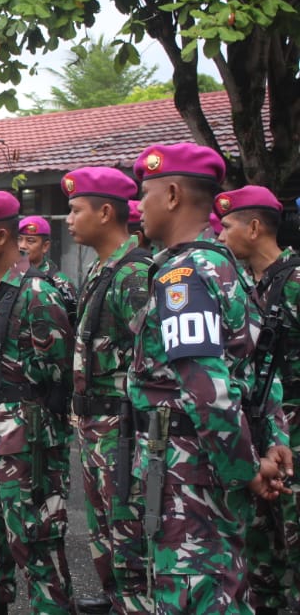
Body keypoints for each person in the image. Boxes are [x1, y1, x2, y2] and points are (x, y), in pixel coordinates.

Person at [129, 143, 291, 613]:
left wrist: (247, 468)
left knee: (194, 593)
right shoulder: (230, 269)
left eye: (146, 193)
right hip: (215, 464)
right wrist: (272, 440)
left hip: (193, 472)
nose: (139, 206)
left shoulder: (184, 275)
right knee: (223, 586)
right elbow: (262, 369)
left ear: (174, 194)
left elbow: (208, 387)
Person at [0, 191, 74, 615]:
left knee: (34, 536)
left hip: (26, 435)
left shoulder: (37, 293)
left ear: (3, 235)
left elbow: (59, 373)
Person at [62, 167, 152, 615]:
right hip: (99, 426)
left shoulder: (135, 274)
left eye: (76, 210)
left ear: (105, 211)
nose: (68, 219)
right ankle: (117, 595)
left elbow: (153, 363)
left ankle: (135, 599)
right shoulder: (103, 268)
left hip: (124, 427)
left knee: (129, 523)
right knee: (102, 525)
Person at [214, 186, 299, 614]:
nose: (221, 234)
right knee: (263, 550)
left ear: (253, 226)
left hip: (292, 429)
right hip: (267, 428)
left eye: (227, 225)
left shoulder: (296, 281)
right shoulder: (248, 285)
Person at [18, 215, 78, 322]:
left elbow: (72, 322)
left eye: (30, 241)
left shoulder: (60, 283)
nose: (22, 246)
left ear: (45, 246)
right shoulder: (10, 275)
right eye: (19, 239)